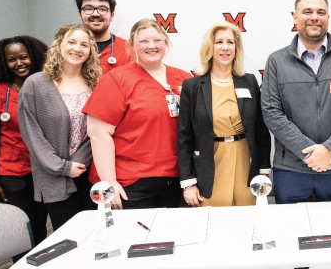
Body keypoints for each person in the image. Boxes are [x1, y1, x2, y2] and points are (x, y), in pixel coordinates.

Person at [261, 0, 331, 204]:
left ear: (328, 17)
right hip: (291, 169)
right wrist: (310, 153)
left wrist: (329, 150)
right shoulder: (276, 61)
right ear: (295, 17)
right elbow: (272, 113)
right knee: (290, 231)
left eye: (321, 12)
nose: (314, 17)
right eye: (307, 11)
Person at [85, 18, 192, 209]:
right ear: (133, 45)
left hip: (176, 180)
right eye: (144, 41)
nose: (151, 46)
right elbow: (98, 133)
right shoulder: (117, 80)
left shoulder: (184, 78)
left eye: (157, 40)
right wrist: (110, 183)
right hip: (130, 182)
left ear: (165, 43)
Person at [179, 22, 271, 207]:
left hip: (246, 163)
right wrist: (188, 182)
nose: (225, 47)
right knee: (214, 224)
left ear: (236, 48)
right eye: (219, 42)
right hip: (210, 165)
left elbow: (261, 129)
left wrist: (263, 170)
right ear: (210, 47)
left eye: (230, 42)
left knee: (248, 221)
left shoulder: (249, 81)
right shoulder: (193, 87)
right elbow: (185, 137)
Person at [18, 24, 100, 230]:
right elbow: (32, 133)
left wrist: (78, 162)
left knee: (94, 233)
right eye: (71, 42)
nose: (77, 48)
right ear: (59, 46)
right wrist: (62, 167)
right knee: (67, 235)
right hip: (52, 174)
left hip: (89, 172)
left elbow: (99, 130)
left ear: (90, 51)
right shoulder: (35, 84)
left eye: (84, 44)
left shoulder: (97, 83)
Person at [0, 35, 50, 259]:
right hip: (11, 172)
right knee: (21, 229)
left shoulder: (48, 86)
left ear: (34, 57)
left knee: (40, 226)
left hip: (43, 169)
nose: (19, 63)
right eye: (12, 60)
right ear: (4, 63)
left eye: (24, 57)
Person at [76, 0, 131, 73]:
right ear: (80, 14)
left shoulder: (129, 51)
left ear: (112, 16)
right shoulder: (69, 50)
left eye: (102, 9)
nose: (95, 14)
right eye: (89, 9)